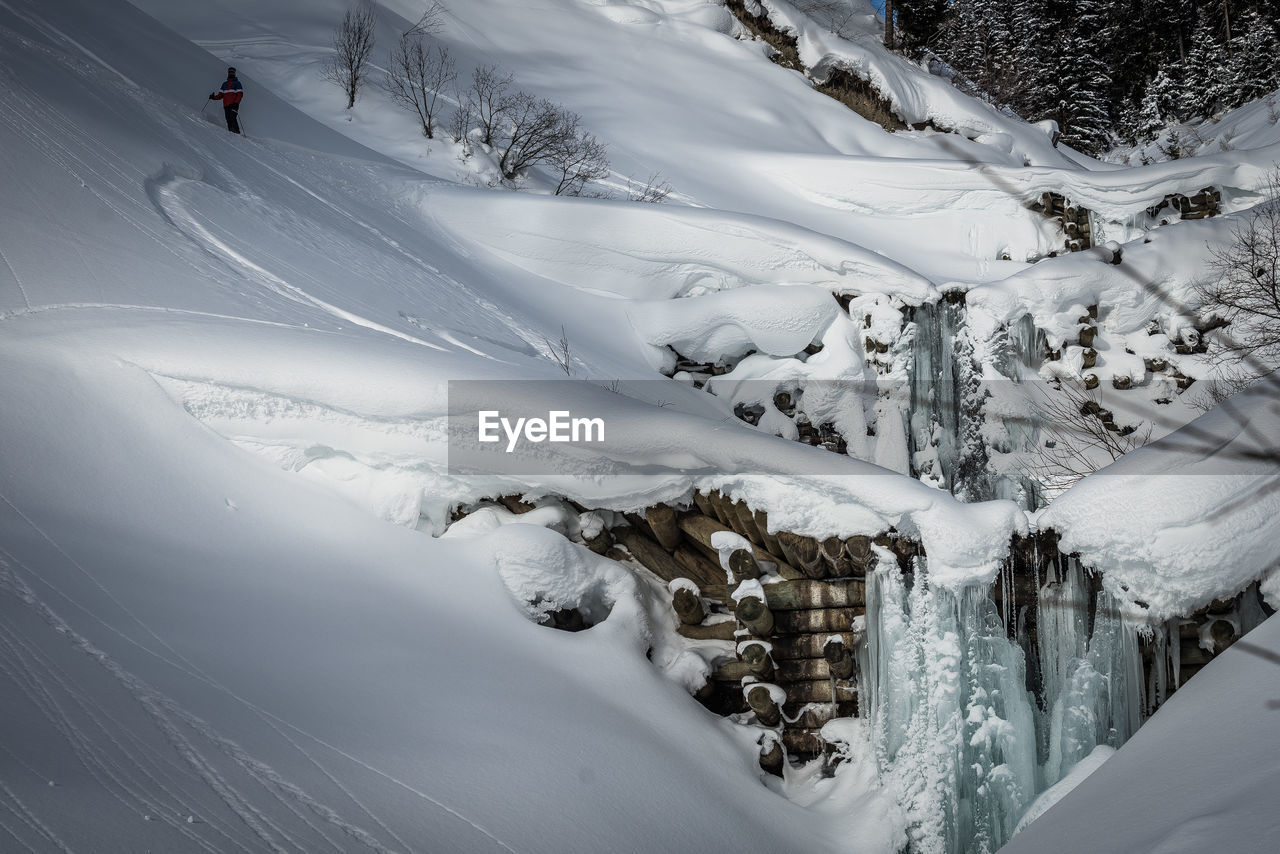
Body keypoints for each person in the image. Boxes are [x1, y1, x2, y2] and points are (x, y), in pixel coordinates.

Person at [209, 67, 243, 134]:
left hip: (234, 105)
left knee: (233, 118)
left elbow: (240, 95)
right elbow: (220, 95)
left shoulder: (237, 83)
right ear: (228, 73)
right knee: (228, 119)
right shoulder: (224, 84)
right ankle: (231, 133)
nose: (231, 73)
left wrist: (236, 103)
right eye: (230, 72)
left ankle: (237, 133)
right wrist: (213, 97)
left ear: (235, 73)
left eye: (232, 72)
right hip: (226, 105)